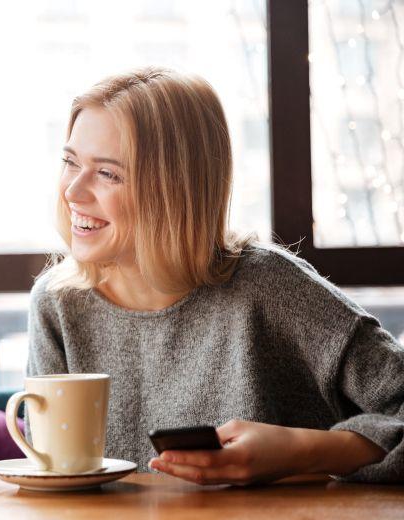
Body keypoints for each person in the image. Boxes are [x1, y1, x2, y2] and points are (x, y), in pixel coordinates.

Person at [27, 67, 404, 485]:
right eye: (70, 162)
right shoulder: (56, 303)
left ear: (175, 187)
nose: (72, 192)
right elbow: (50, 474)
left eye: (108, 173)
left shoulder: (270, 286)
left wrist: (302, 451)